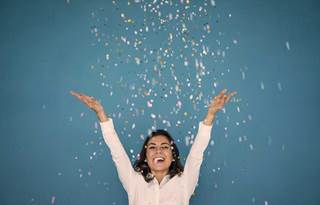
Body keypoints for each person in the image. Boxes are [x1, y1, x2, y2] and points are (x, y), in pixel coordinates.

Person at [70, 89, 236, 205]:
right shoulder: (134, 182)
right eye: (152, 147)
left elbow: (197, 153)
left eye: (165, 146)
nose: (158, 150)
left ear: (172, 156)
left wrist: (210, 115)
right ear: (145, 156)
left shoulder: (185, 182)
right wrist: (101, 114)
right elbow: (117, 153)